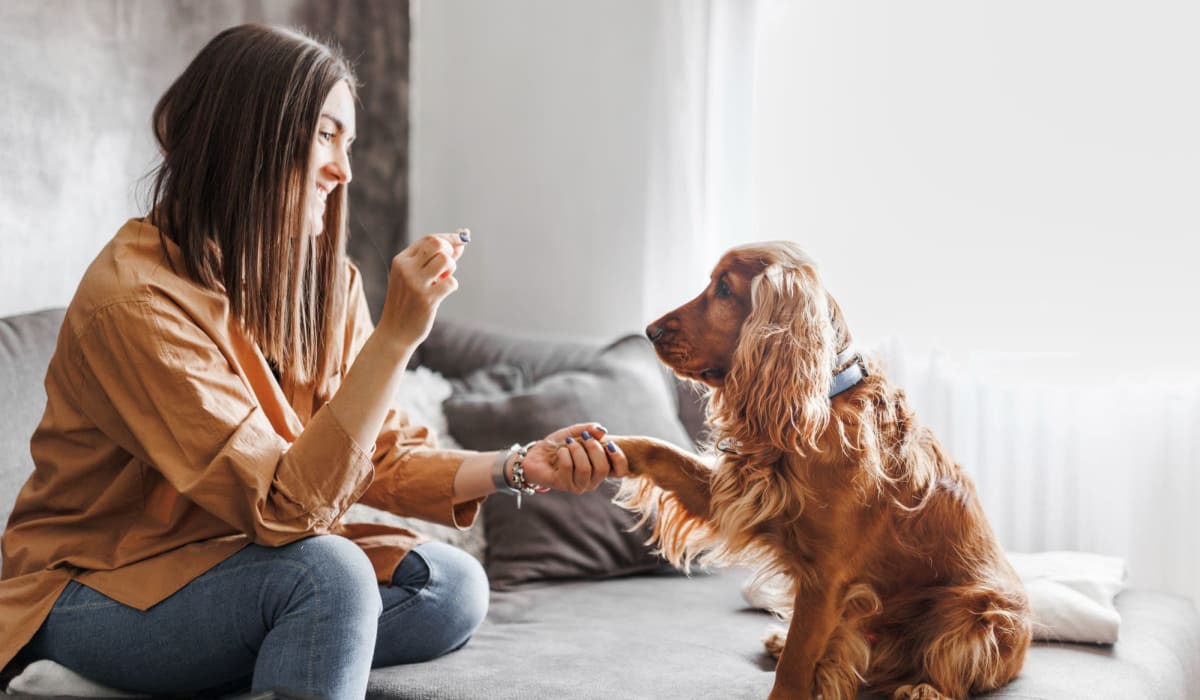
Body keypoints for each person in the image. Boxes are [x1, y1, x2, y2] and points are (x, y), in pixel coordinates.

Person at [0, 24, 627, 699]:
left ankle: (190, 672)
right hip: (95, 589)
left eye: (347, 142)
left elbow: (374, 452)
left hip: (237, 565)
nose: (343, 170)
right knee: (329, 575)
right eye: (326, 135)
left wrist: (516, 467)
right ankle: (94, 667)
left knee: (449, 586)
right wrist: (396, 338)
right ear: (247, 136)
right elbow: (282, 508)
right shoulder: (133, 302)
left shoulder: (326, 286)